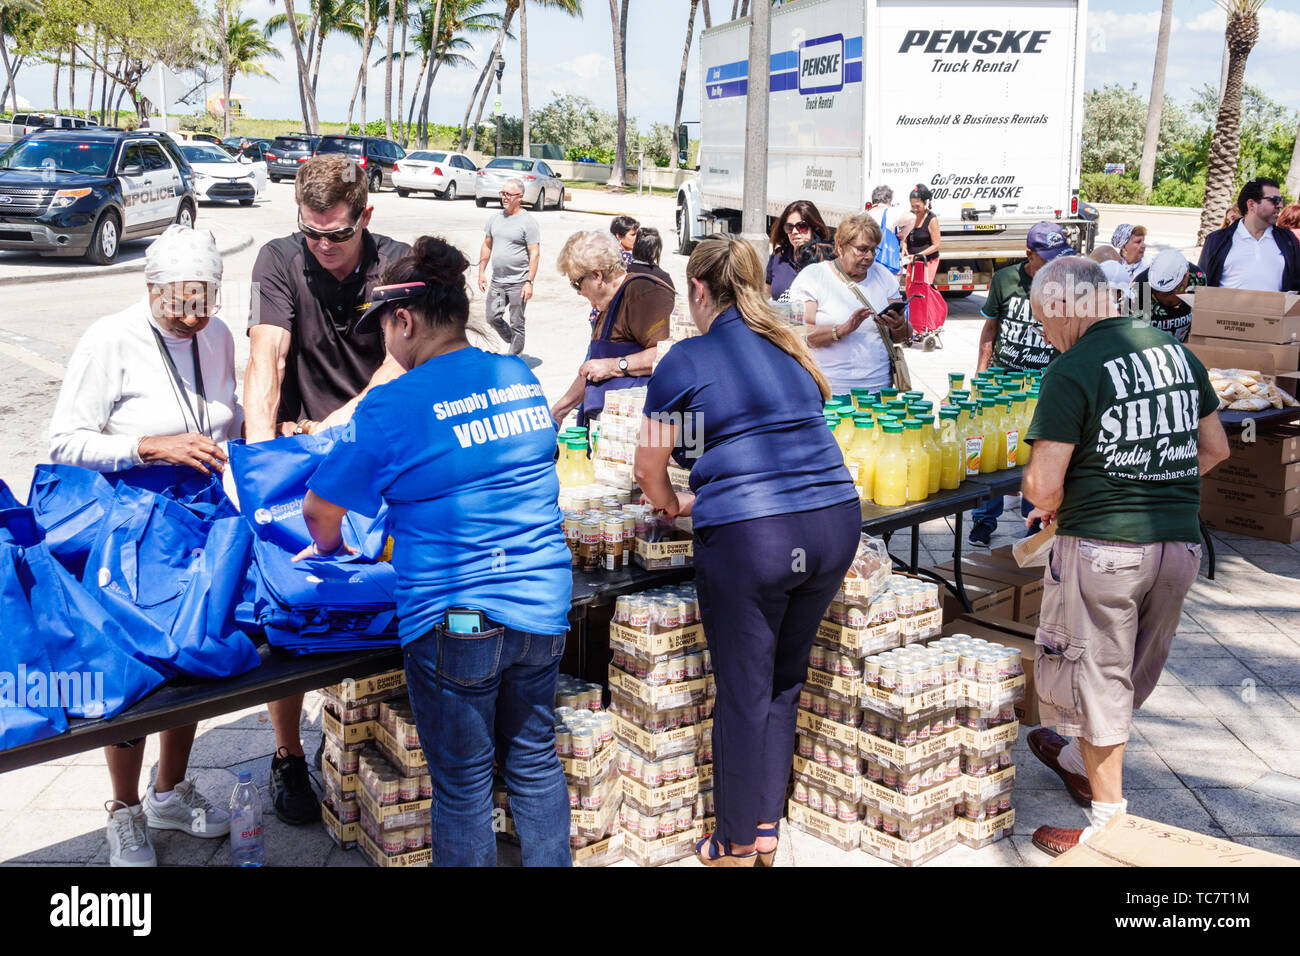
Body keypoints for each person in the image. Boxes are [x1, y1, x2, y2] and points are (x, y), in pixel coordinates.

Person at [296, 236, 573, 867]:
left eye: (383, 330)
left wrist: (333, 549)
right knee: (533, 759)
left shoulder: (394, 404)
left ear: (404, 319)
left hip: (460, 622)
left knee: (465, 786)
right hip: (541, 608)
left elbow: (320, 514)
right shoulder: (517, 375)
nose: (382, 347)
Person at [633, 237, 860, 866]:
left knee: (742, 691)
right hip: (835, 523)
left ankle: (731, 844)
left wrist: (674, 505)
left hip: (755, 537)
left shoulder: (685, 358)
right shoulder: (790, 346)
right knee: (784, 682)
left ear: (699, 292)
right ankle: (765, 828)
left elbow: (650, 468)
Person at [1019, 255, 1228, 857]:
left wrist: (1062, 492)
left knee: (1097, 679)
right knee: (1132, 668)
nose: (1043, 332)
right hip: (1179, 544)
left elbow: (1041, 486)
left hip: (1107, 548)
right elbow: (1214, 448)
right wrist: (1157, 480)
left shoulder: (1075, 366)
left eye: (1042, 317)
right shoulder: (1175, 352)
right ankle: (1071, 753)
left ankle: (1108, 823)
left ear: (1063, 304)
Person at [48, 225, 238, 867]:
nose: (189, 317)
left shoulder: (216, 335)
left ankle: (169, 792)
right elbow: (63, 442)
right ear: (149, 289)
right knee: (133, 670)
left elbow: (223, 416)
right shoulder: (110, 338)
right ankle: (124, 809)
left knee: (193, 658)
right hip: (129, 533)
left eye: (202, 302)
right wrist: (145, 446)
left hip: (198, 517)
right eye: (175, 304)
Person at [243, 152, 410, 825]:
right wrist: (256, 463)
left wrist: (332, 434)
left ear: (365, 216)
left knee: (384, 603)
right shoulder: (278, 260)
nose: (322, 248)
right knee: (289, 610)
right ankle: (287, 756)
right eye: (311, 233)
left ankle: (376, 741)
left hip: (371, 449)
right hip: (295, 454)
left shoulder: (397, 264)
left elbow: (397, 364)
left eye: (337, 235)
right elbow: (266, 357)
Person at [968, 221, 1075, 547]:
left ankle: (1034, 519)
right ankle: (984, 520)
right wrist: (980, 376)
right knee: (993, 454)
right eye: (1047, 257)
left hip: (1043, 385)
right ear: (1029, 254)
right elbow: (991, 329)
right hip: (1001, 381)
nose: (1055, 263)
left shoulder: (1066, 283)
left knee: (1037, 452)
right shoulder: (1005, 279)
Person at [550, 231, 674, 424]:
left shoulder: (642, 295)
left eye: (577, 284)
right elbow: (593, 370)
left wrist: (615, 366)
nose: (579, 292)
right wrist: (559, 412)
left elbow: (669, 354)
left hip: (645, 429)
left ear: (597, 275)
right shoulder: (607, 305)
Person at [786, 213, 909, 394]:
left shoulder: (884, 276)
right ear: (840, 247)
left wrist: (899, 325)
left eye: (874, 250)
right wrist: (840, 330)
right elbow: (795, 332)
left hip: (879, 390)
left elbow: (902, 336)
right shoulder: (811, 276)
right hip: (828, 391)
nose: (869, 256)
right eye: (862, 249)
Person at [1199, 178, 1300, 291]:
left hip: (1275, 309)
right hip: (1227, 308)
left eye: (1281, 200)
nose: (1280, 205)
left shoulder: (1288, 240)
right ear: (1251, 204)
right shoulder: (1217, 240)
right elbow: (1202, 283)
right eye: (1274, 200)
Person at [479, 177, 541, 355]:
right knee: (492, 317)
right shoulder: (495, 218)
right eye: (502, 193)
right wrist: (481, 271)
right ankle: (514, 340)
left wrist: (529, 281)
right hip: (498, 281)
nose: (504, 197)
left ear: (520, 196)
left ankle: (514, 359)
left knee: (517, 322)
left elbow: (534, 253)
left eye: (508, 194)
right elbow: (487, 245)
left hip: (518, 282)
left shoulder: (528, 222)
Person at [1132, 248, 1205, 342]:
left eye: (1171, 291)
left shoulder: (1198, 279)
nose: (1168, 298)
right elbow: (1132, 336)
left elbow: (1200, 322)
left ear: (1186, 275)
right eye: (1158, 292)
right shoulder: (1138, 289)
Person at [765, 200, 833, 300]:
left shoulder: (826, 260)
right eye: (789, 227)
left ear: (813, 227)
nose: (794, 232)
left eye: (801, 226)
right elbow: (767, 292)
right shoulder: (778, 257)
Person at [900, 183, 941, 284]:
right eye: (912, 206)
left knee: (923, 289)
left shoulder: (932, 219)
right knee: (910, 289)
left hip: (928, 261)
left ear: (925, 202)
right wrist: (904, 247)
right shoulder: (910, 216)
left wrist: (918, 255)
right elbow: (905, 237)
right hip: (912, 260)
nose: (915, 209)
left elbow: (936, 245)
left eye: (917, 206)